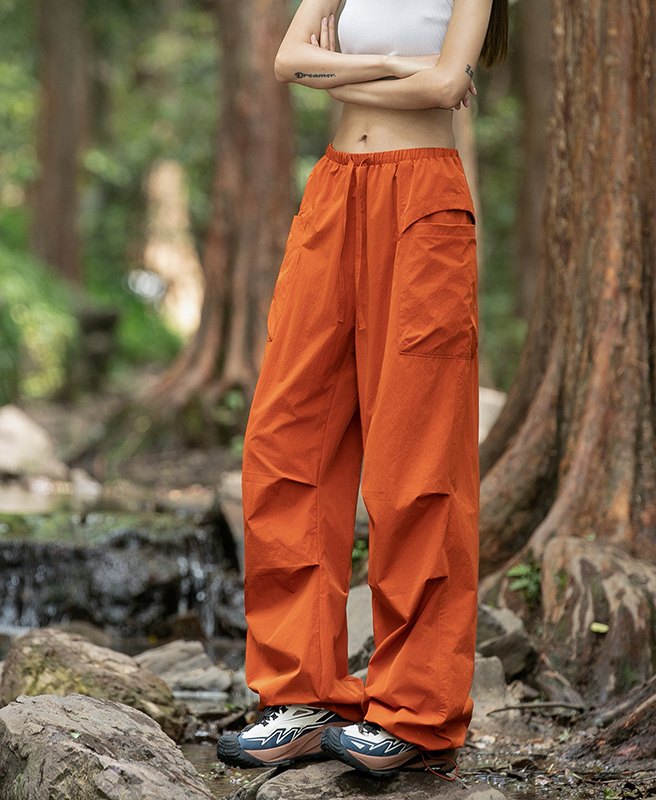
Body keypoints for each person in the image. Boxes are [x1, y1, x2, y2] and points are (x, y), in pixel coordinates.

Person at [217, 0, 508, 779]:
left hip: (424, 204)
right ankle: (301, 697)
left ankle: (415, 708)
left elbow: (448, 85)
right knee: (286, 441)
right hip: (333, 192)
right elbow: (286, 63)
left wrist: (341, 76)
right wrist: (396, 69)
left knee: (417, 462)